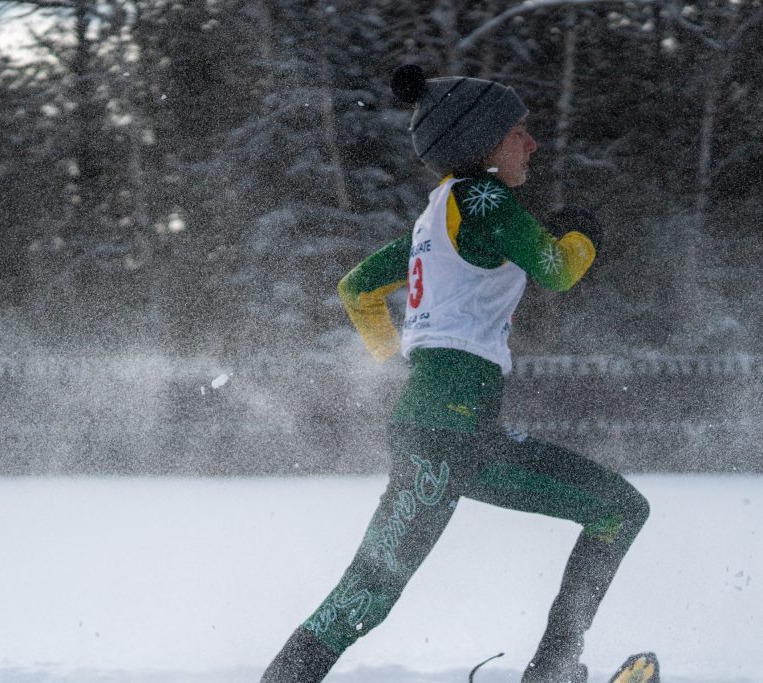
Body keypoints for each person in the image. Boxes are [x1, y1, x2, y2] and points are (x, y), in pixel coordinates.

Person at [260, 64, 650, 683]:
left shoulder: (436, 217)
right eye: (519, 132)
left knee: (367, 592)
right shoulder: (483, 198)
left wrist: (401, 368)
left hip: (440, 431)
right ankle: (552, 668)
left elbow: (357, 289)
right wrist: (583, 234)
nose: (532, 144)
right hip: (457, 436)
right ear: (482, 142)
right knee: (617, 512)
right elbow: (558, 270)